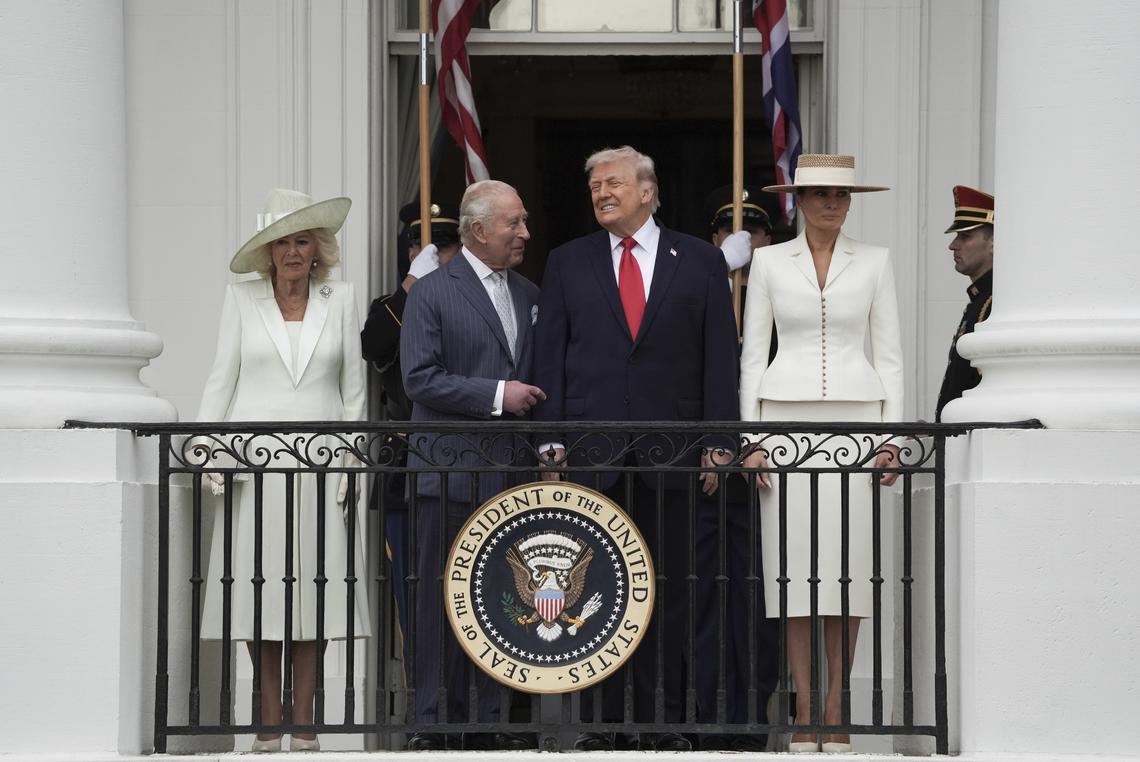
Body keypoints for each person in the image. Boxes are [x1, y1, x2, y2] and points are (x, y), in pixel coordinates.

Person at [533, 145, 739, 752]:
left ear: (648, 191)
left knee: (668, 592)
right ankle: (600, 724)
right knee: (596, 596)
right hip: (591, 455)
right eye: (594, 185)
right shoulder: (568, 262)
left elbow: (718, 360)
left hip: (671, 454)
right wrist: (550, 444)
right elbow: (551, 357)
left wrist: (719, 443)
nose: (601, 193)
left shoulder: (700, 261)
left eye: (613, 183)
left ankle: (663, 721)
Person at [196, 188, 371, 753]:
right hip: (255, 469)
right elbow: (221, 379)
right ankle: (268, 722)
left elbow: (354, 396)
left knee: (315, 594)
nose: (293, 253)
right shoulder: (241, 299)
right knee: (257, 591)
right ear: (267, 252)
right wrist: (207, 450)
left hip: (321, 469)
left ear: (318, 249)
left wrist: (348, 469)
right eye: (282, 243)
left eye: (303, 241)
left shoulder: (339, 298)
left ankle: (307, 722)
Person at [738, 154, 903, 754]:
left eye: (841, 194)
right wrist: (751, 443)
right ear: (799, 202)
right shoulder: (766, 261)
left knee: (849, 572)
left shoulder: (878, 261)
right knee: (794, 573)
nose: (832, 203)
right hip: (784, 425)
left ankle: (838, 705)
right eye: (819, 194)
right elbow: (753, 355)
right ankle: (805, 706)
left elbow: (890, 355)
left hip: (859, 425)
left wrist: (892, 440)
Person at [399, 179, 545, 751]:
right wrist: (496, 395)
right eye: (515, 223)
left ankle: (493, 719)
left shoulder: (531, 293)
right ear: (479, 229)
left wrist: (546, 451)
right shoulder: (432, 292)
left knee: (501, 601)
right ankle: (434, 720)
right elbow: (419, 377)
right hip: (448, 470)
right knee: (441, 596)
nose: (525, 233)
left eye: (524, 221)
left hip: (511, 474)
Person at [699, 183, 780, 753]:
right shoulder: (705, 288)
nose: (742, 241)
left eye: (752, 232)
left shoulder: (780, 293)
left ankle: (754, 710)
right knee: (701, 592)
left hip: (763, 465)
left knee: (758, 596)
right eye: (730, 233)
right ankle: (704, 710)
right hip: (705, 466)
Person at [360, 201, 462, 646]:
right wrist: (410, 288)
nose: (435, 253)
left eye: (444, 244)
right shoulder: (391, 305)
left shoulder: (475, 301)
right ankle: (424, 697)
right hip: (408, 462)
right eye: (421, 246)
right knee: (414, 586)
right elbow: (375, 345)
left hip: (468, 454)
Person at [935, 185, 994, 421]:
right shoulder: (981, 300)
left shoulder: (994, 304)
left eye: (965, 236)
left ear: (994, 244)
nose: (953, 245)